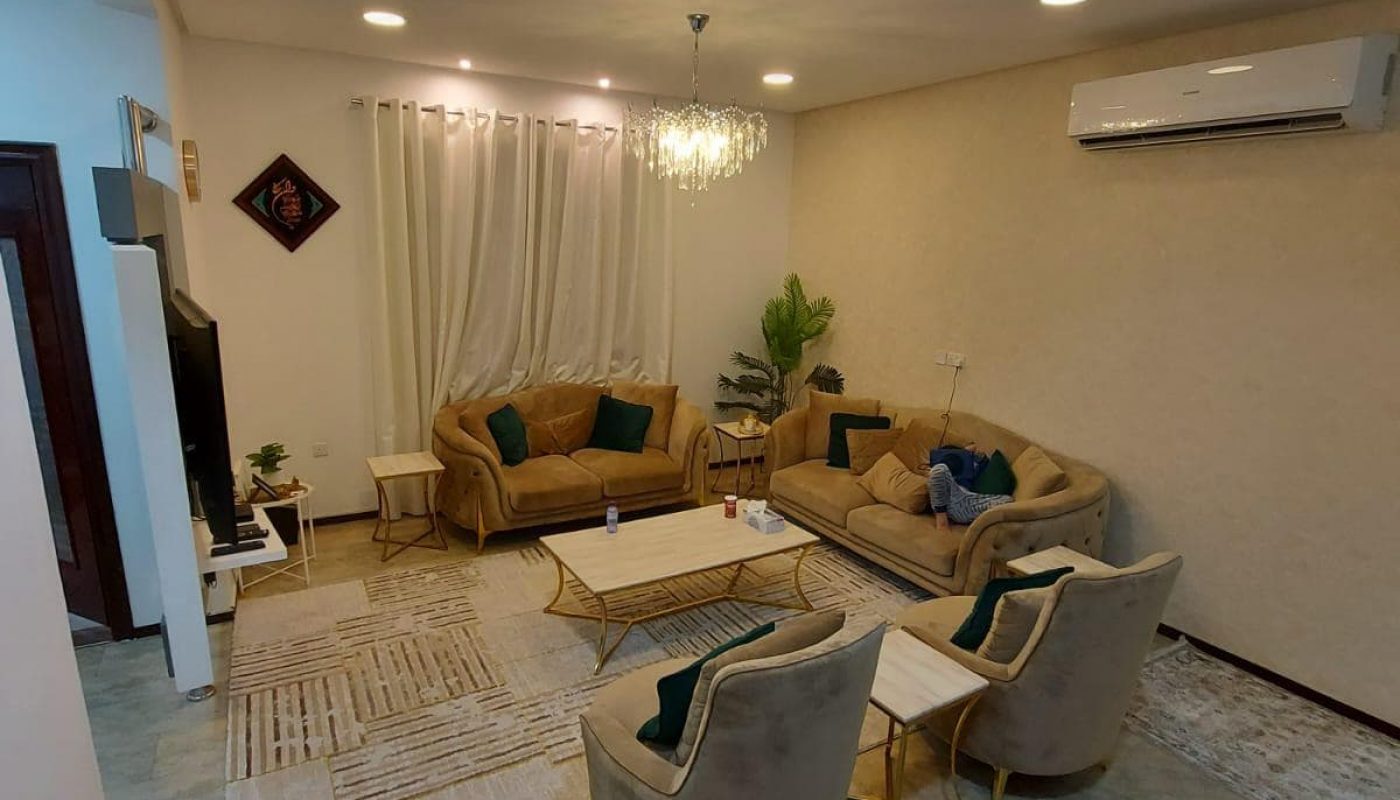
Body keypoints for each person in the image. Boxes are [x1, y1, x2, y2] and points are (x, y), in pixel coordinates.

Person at [927, 462, 1011, 532]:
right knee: (939, 469)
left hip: (967, 496)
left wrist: (973, 456)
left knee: (1007, 500)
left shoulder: (976, 460)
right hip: (949, 491)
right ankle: (942, 522)